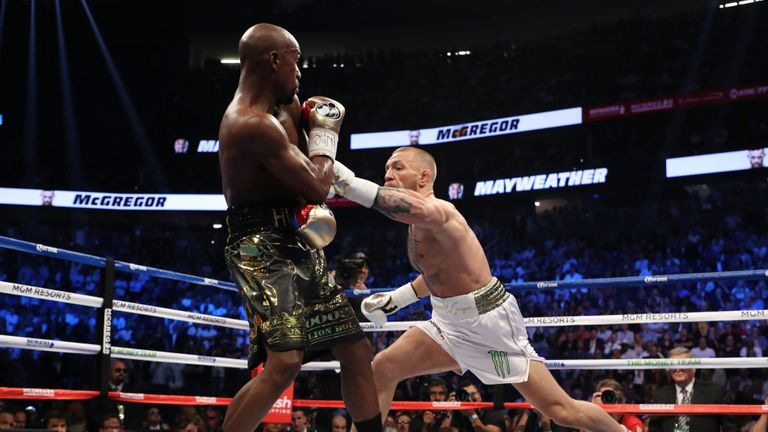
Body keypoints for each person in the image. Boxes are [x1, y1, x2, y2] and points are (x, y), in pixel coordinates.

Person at [332, 146, 627, 432]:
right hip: (447, 322)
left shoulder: (439, 211)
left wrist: (346, 182)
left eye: (397, 167)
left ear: (423, 178)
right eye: (386, 169)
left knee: (561, 411)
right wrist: (397, 299)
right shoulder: (415, 222)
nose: (388, 175)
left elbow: (405, 206)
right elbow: (437, 274)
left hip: (487, 322)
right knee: (382, 368)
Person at [217, 23, 381, 432]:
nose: (301, 72)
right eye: (297, 60)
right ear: (275, 59)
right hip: (256, 244)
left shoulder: (288, 107)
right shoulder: (249, 122)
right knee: (285, 362)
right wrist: (325, 133)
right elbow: (316, 185)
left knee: (355, 349)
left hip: (296, 236)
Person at [648, 347, 736, 432]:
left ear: (693, 368)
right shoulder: (660, 395)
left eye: (682, 364)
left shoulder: (715, 392)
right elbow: (654, 429)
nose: (677, 369)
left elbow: (730, 428)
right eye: (673, 365)